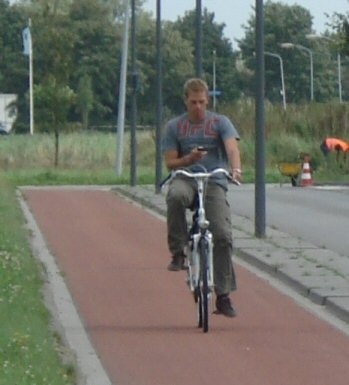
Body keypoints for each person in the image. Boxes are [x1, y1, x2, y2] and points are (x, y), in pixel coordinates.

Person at [162, 78, 242, 318]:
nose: (198, 106)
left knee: (223, 235)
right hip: (186, 177)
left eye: (202, 102)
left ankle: (224, 295)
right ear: (185, 100)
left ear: (207, 100)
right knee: (175, 197)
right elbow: (170, 162)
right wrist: (188, 160)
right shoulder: (174, 127)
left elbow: (231, 148)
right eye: (193, 102)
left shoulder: (220, 123)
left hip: (213, 181)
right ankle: (178, 252)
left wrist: (235, 169)